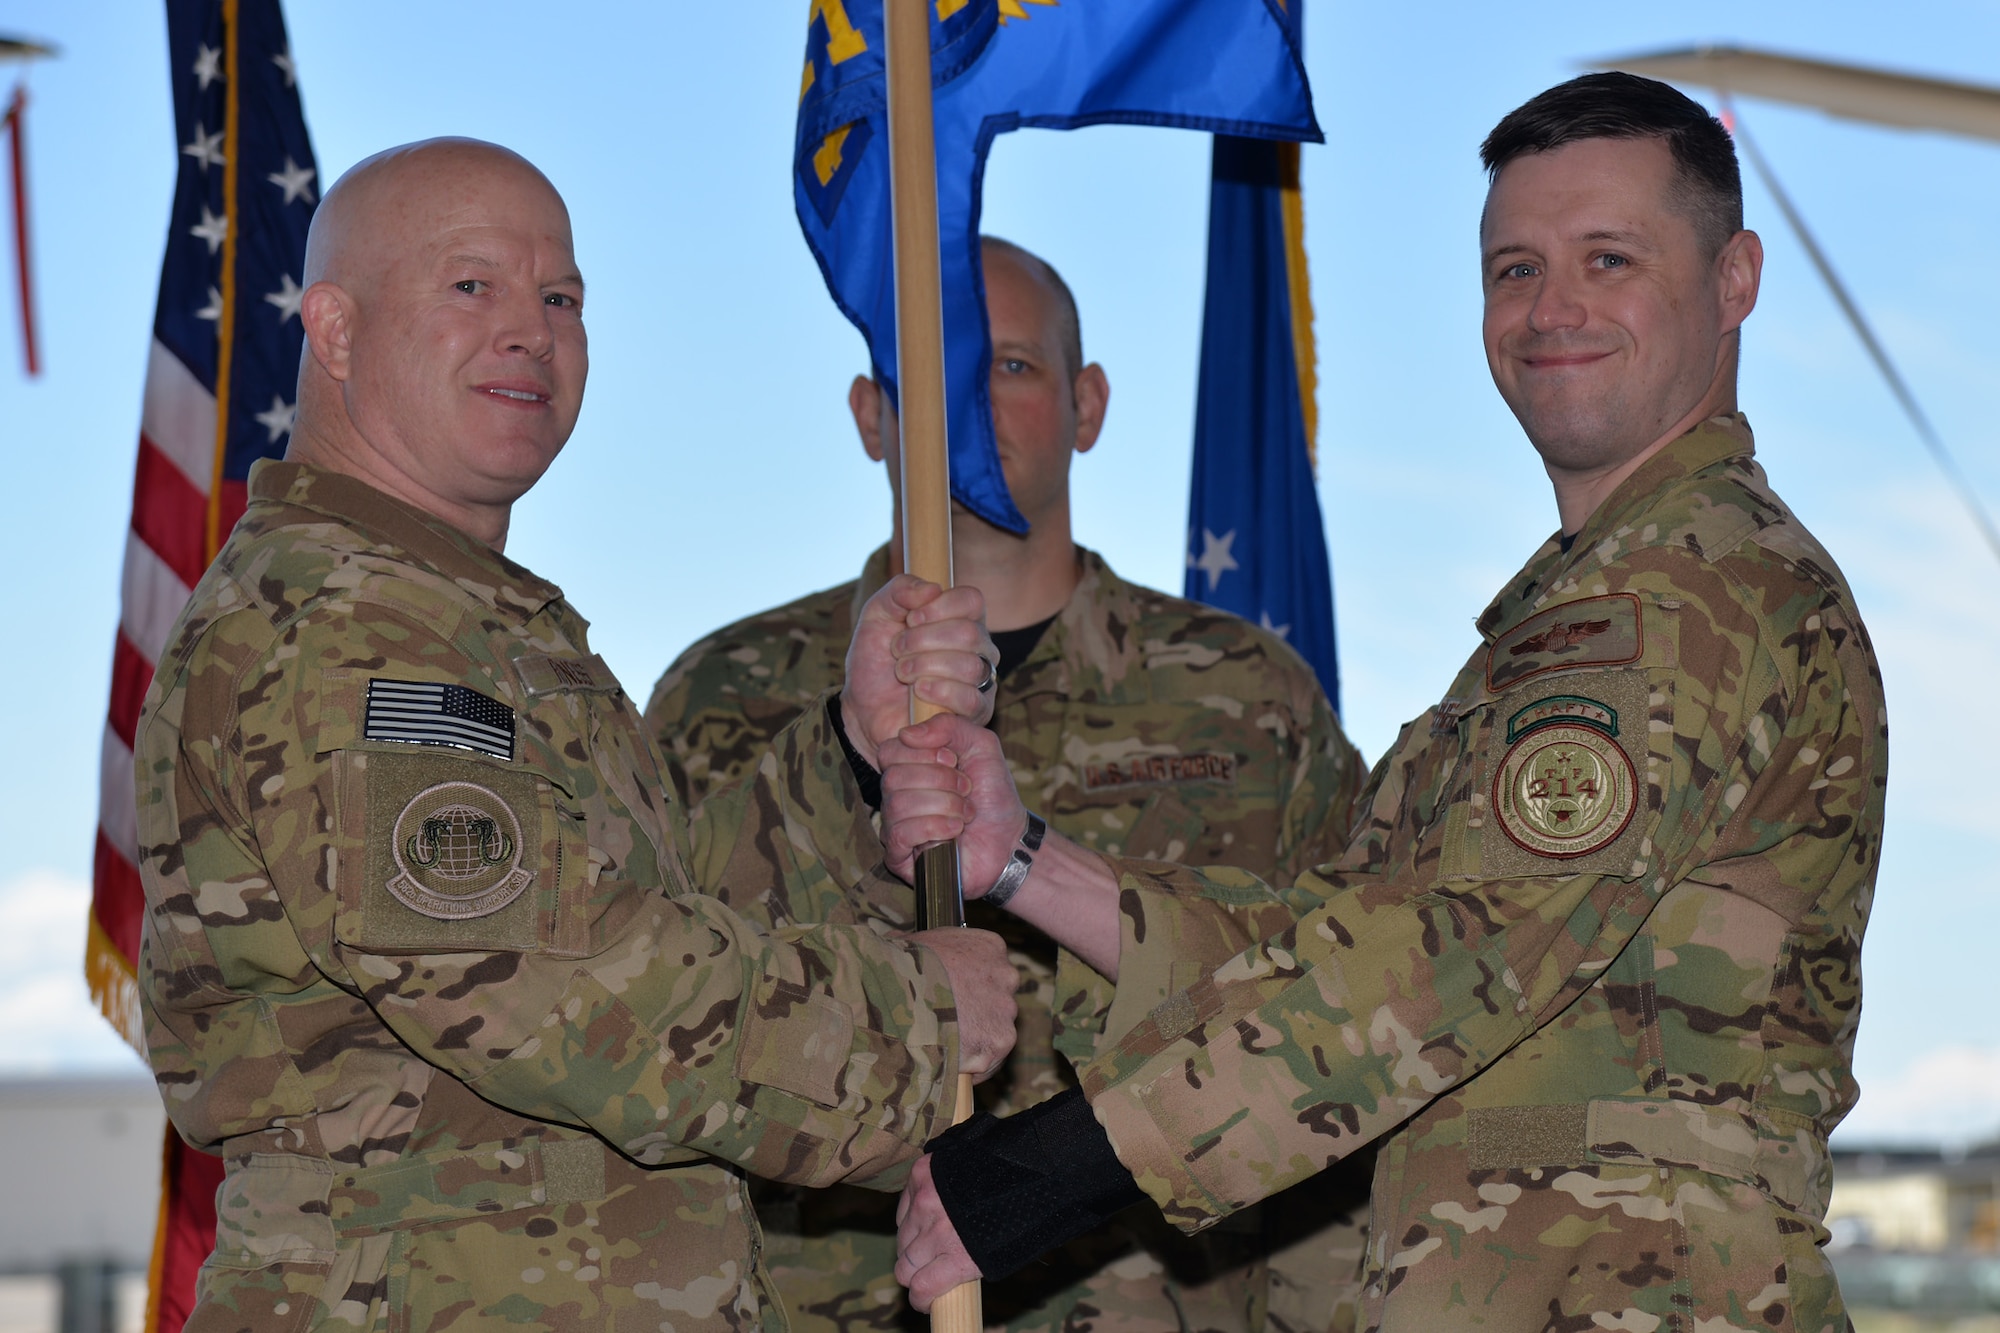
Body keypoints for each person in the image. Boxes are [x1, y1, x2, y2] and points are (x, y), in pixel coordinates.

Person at [884, 73, 1886, 1329]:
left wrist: (1059, 1166)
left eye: (1607, 258)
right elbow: (1345, 938)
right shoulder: (1571, 614)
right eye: (1513, 268)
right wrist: (1025, 862)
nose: (1550, 308)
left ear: (1732, 279)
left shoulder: (1691, 590)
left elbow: (1448, 952)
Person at [133, 138, 1024, 1333]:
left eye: (561, 297)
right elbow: (552, 994)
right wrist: (914, 1017)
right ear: (336, 333)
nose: (530, 330)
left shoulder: (459, 615)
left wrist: (845, 753)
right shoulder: (342, 627)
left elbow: (643, 906)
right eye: (471, 286)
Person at [645, 237, 1370, 1333]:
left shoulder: (1248, 698)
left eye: (1011, 366)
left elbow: (1343, 1021)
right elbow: (660, 1008)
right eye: (926, 370)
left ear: (1088, 405)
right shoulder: (722, 693)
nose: (965, 401)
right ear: (869, 413)